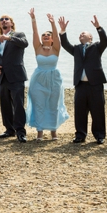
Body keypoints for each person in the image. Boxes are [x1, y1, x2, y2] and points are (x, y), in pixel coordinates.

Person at [58, 15, 107, 144]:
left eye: (83, 34)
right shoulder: (76, 49)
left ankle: (99, 135)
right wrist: (62, 31)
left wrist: (99, 28)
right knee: (80, 111)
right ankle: (80, 135)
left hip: (95, 84)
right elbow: (65, 44)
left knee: (97, 110)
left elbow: (104, 41)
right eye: (80, 34)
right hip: (80, 85)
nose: (81, 35)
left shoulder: (97, 47)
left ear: (90, 37)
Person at [25, 9, 69, 141]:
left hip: (54, 79)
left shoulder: (56, 49)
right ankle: (39, 132)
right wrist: (33, 19)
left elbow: (57, 36)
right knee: (39, 105)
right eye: (43, 35)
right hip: (38, 79)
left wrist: (53, 24)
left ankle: (53, 131)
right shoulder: (37, 47)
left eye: (47, 35)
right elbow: (34, 33)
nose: (45, 36)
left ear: (51, 39)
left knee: (53, 105)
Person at [0, 13, 29, 143]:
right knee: (5, 104)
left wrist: (9, 38)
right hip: (2, 77)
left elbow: (25, 44)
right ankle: (9, 129)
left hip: (16, 75)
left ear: (11, 23)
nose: (4, 21)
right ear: (0, 24)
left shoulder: (18, 35)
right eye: (1, 20)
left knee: (18, 104)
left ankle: (21, 132)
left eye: (7, 19)